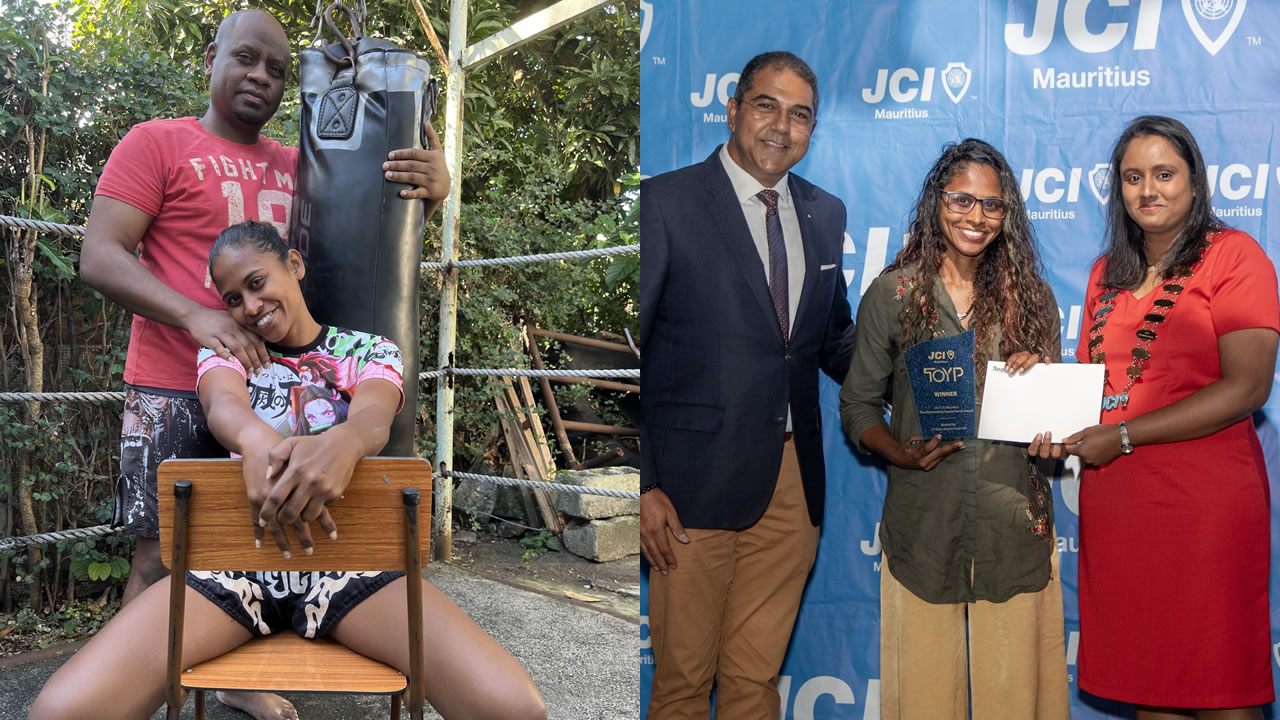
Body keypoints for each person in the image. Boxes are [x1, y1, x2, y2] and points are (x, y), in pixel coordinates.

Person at [77, 9, 446, 718]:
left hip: (276, 389)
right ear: (211, 57)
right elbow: (99, 254)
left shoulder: (302, 160)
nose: (261, 77)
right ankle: (137, 695)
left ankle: (234, 676)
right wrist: (197, 316)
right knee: (160, 555)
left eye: (278, 69)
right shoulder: (157, 141)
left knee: (265, 540)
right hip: (173, 382)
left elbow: (363, 231)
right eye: (246, 57)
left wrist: (433, 186)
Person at [29, 221, 547, 720]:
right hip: (236, 571)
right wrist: (255, 439)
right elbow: (224, 406)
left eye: (257, 283)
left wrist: (346, 442)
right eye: (233, 299)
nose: (250, 307)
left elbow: (374, 415)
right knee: (63, 710)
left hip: (349, 567)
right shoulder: (225, 354)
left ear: (293, 264)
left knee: (512, 707)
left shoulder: (369, 351)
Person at [638, 50, 854, 719]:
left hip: (791, 484)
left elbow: (836, 342)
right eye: (766, 105)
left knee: (754, 684)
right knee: (681, 686)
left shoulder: (825, 212)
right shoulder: (665, 202)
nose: (781, 126)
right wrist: (644, 483)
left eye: (801, 115)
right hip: (689, 486)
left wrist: (926, 365)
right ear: (733, 110)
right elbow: (635, 354)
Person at [838, 138, 1069, 719]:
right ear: (936, 201)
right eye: (961, 199)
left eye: (992, 205)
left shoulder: (1033, 299)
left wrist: (1046, 404)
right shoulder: (893, 294)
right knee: (923, 701)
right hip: (924, 525)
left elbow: (1055, 431)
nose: (976, 216)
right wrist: (899, 452)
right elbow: (858, 406)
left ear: (1006, 214)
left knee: (1017, 704)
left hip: (1012, 527)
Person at [1062, 116, 1278, 718]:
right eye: (1133, 177)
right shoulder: (1106, 272)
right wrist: (1045, 410)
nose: (1148, 190)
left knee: (1221, 683)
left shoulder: (1233, 256)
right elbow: (1094, 384)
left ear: (1194, 181)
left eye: (1164, 174)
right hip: (1119, 502)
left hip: (1204, 504)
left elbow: (1248, 386)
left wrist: (1125, 434)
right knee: (1149, 684)